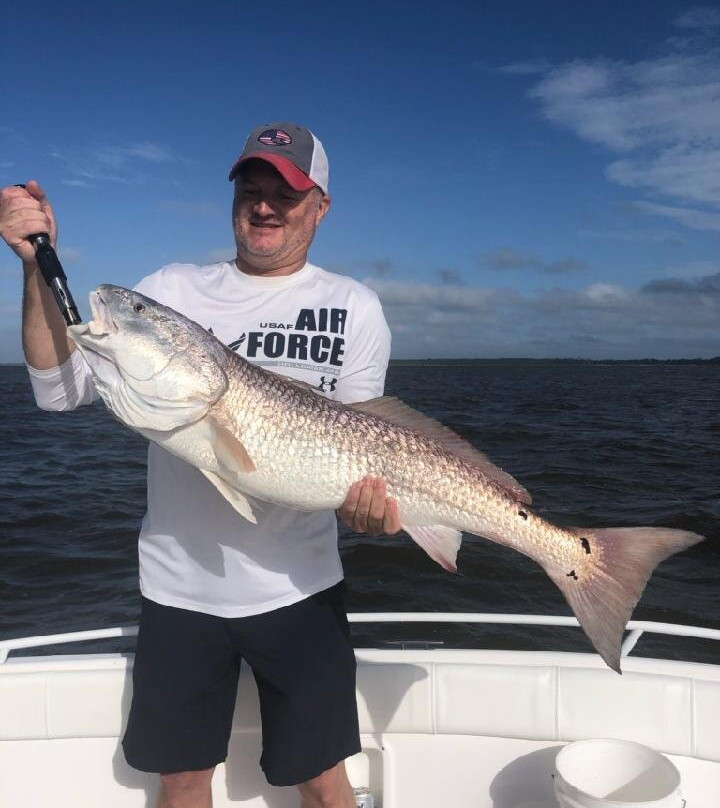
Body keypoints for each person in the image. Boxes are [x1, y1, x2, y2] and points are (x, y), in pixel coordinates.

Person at [0, 122, 401, 808]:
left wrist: (373, 510)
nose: (265, 204)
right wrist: (37, 268)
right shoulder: (172, 289)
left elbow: (368, 444)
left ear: (322, 206)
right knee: (182, 781)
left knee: (324, 778)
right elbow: (59, 389)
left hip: (301, 591)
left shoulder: (355, 307)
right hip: (178, 592)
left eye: (287, 191)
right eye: (252, 187)